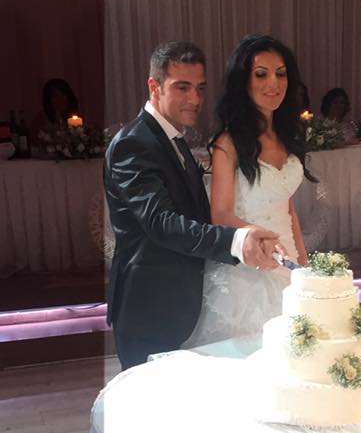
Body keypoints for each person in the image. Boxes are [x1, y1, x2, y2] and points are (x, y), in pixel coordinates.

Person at [104, 41, 282, 369]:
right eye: (182, 87)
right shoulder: (134, 143)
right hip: (149, 310)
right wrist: (236, 241)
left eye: (200, 88)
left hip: (176, 305)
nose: (195, 99)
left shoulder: (172, 138)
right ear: (154, 86)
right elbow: (161, 223)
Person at [183, 34, 313, 349]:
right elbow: (221, 214)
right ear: (244, 82)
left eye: (280, 74)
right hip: (248, 263)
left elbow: (288, 209)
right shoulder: (228, 143)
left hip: (288, 262)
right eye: (261, 74)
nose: (273, 83)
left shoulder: (288, 136)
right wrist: (259, 238)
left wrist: (305, 265)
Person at [30, 77, 79, 143]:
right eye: (55, 96)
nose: (60, 99)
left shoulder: (76, 118)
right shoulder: (40, 120)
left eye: (63, 95)